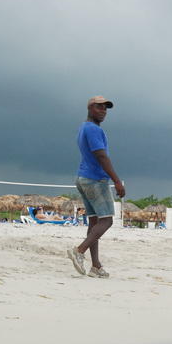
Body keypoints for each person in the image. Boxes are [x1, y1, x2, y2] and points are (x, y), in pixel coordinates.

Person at [66, 95, 126, 278]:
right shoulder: (93, 129)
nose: (103, 111)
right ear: (90, 108)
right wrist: (116, 180)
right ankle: (79, 251)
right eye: (99, 107)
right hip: (95, 179)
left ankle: (96, 266)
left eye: (105, 108)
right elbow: (101, 156)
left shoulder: (83, 128)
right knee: (107, 220)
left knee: (94, 223)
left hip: (83, 177)